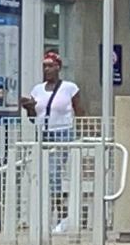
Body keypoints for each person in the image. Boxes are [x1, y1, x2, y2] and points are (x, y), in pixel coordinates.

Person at [19, 51, 85, 230]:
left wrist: (83, 132)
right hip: (44, 133)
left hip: (63, 132)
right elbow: (34, 118)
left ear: (58, 67)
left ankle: (62, 214)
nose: (47, 70)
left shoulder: (69, 87)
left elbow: (80, 111)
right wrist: (29, 108)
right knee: (45, 174)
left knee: (54, 172)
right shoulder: (37, 90)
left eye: (50, 66)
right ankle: (57, 211)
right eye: (44, 66)